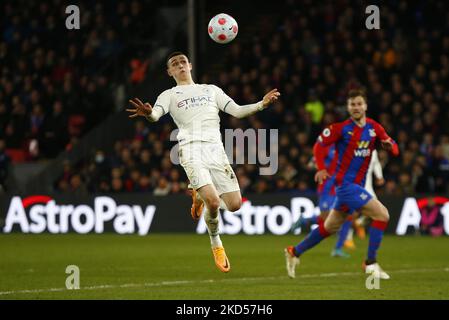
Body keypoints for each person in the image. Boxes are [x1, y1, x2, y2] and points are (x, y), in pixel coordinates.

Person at [126, 51, 280, 273]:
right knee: (214, 203)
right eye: (174, 64)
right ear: (169, 71)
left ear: (189, 65)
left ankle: (199, 196)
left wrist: (262, 104)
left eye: (182, 61)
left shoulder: (211, 90)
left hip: (215, 150)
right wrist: (149, 114)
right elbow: (156, 115)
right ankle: (216, 242)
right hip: (190, 148)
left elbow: (236, 111)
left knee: (235, 205)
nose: (179, 65)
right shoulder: (169, 95)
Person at [284, 89, 399, 279]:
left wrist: (389, 146)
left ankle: (294, 252)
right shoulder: (340, 129)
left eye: (359, 103)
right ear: (347, 107)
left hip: (357, 187)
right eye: (352, 104)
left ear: (365, 106)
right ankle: (370, 263)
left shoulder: (374, 127)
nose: (356, 107)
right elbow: (319, 146)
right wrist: (321, 168)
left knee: (329, 227)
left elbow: (393, 146)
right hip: (346, 186)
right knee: (382, 215)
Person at [291, 144, 354, 258]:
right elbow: (312, 163)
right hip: (327, 189)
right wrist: (317, 166)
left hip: (340, 188)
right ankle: (305, 221)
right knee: (327, 220)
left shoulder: (346, 149)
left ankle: (337, 249)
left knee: (347, 217)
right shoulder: (327, 147)